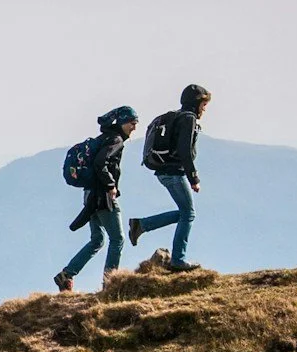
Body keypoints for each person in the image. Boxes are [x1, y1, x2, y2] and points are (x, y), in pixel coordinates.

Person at [56, 106, 137, 293]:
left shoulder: (104, 138)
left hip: (90, 194)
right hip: (102, 196)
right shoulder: (115, 140)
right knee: (117, 239)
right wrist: (111, 186)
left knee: (97, 239)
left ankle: (66, 275)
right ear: (121, 122)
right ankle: (110, 284)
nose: (134, 126)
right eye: (132, 122)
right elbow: (101, 162)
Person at [130, 85, 211, 270]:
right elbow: (185, 151)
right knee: (188, 214)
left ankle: (141, 225)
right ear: (196, 102)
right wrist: (194, 178)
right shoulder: (188, 119)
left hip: (163, 171)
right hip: (174, 172)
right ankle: (178, 260)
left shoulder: (177, 116)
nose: (204, 109)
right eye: (204, 104)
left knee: (185, 213)